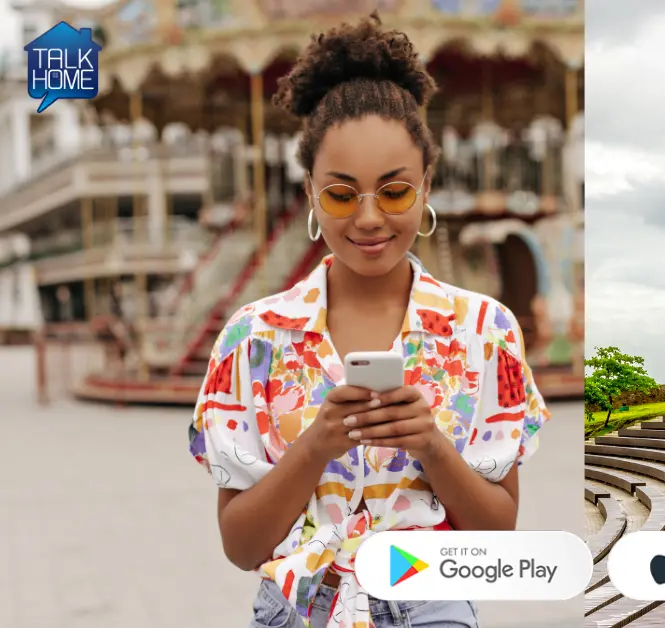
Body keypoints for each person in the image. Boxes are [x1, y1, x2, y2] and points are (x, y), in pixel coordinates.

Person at [187, 14, 549, 628]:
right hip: (296, 611)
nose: (370, 217)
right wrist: (316, 446)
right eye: (341, 193)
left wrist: (431, 444)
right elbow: (242, 546)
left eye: (395, 191)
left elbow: (496, 535)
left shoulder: (485, 332)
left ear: (426, 185)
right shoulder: (253, 340)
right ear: (310, 191)